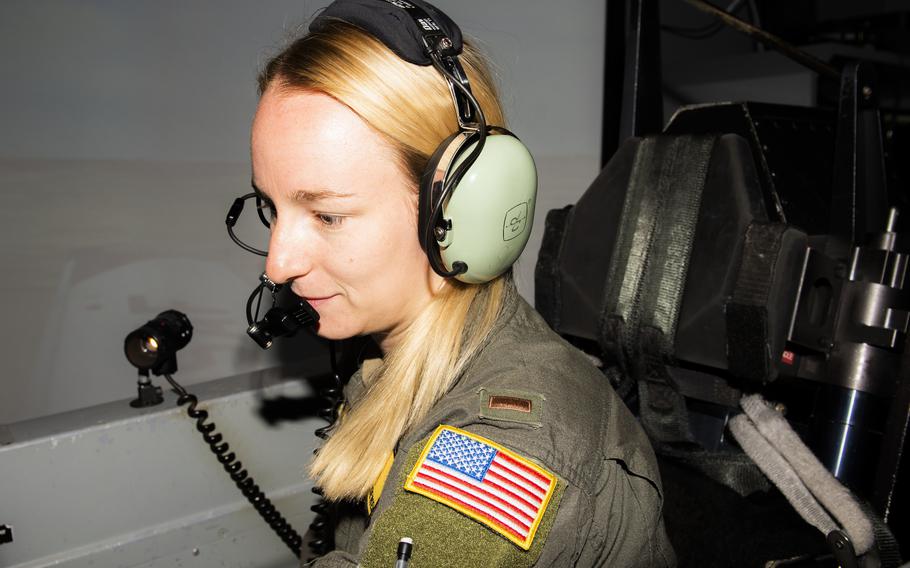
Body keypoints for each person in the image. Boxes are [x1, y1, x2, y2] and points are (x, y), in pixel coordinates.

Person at [250, 1, 675, 566]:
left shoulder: (505, 445)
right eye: (269, 208)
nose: (276, 265)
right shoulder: (399, 364)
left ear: (457, 210)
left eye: (327, 216)